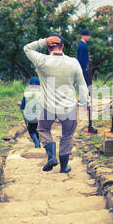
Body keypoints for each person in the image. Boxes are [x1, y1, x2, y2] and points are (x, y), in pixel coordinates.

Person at [23, 35, 89, 173]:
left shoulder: (42, 61)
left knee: (43, 129)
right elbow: (82, 85)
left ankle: (52, 156)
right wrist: (85, 103)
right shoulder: (74, 62)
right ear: (62, 47)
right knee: (67, 135)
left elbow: (27, 48)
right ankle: (64, 167)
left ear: (48, 47)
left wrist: (42, 41)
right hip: (69, 107)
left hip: (48, 107)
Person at [17, 77, 41, 148]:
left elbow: (22, 107)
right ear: (39, 86)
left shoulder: (26, 94)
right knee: (38, 129)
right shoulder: (42, 94)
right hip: (39, 117)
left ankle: (36, 143)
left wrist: (19, 104)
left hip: (29, 117)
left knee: (32, 130)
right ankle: (38, 141)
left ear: (29, 85)